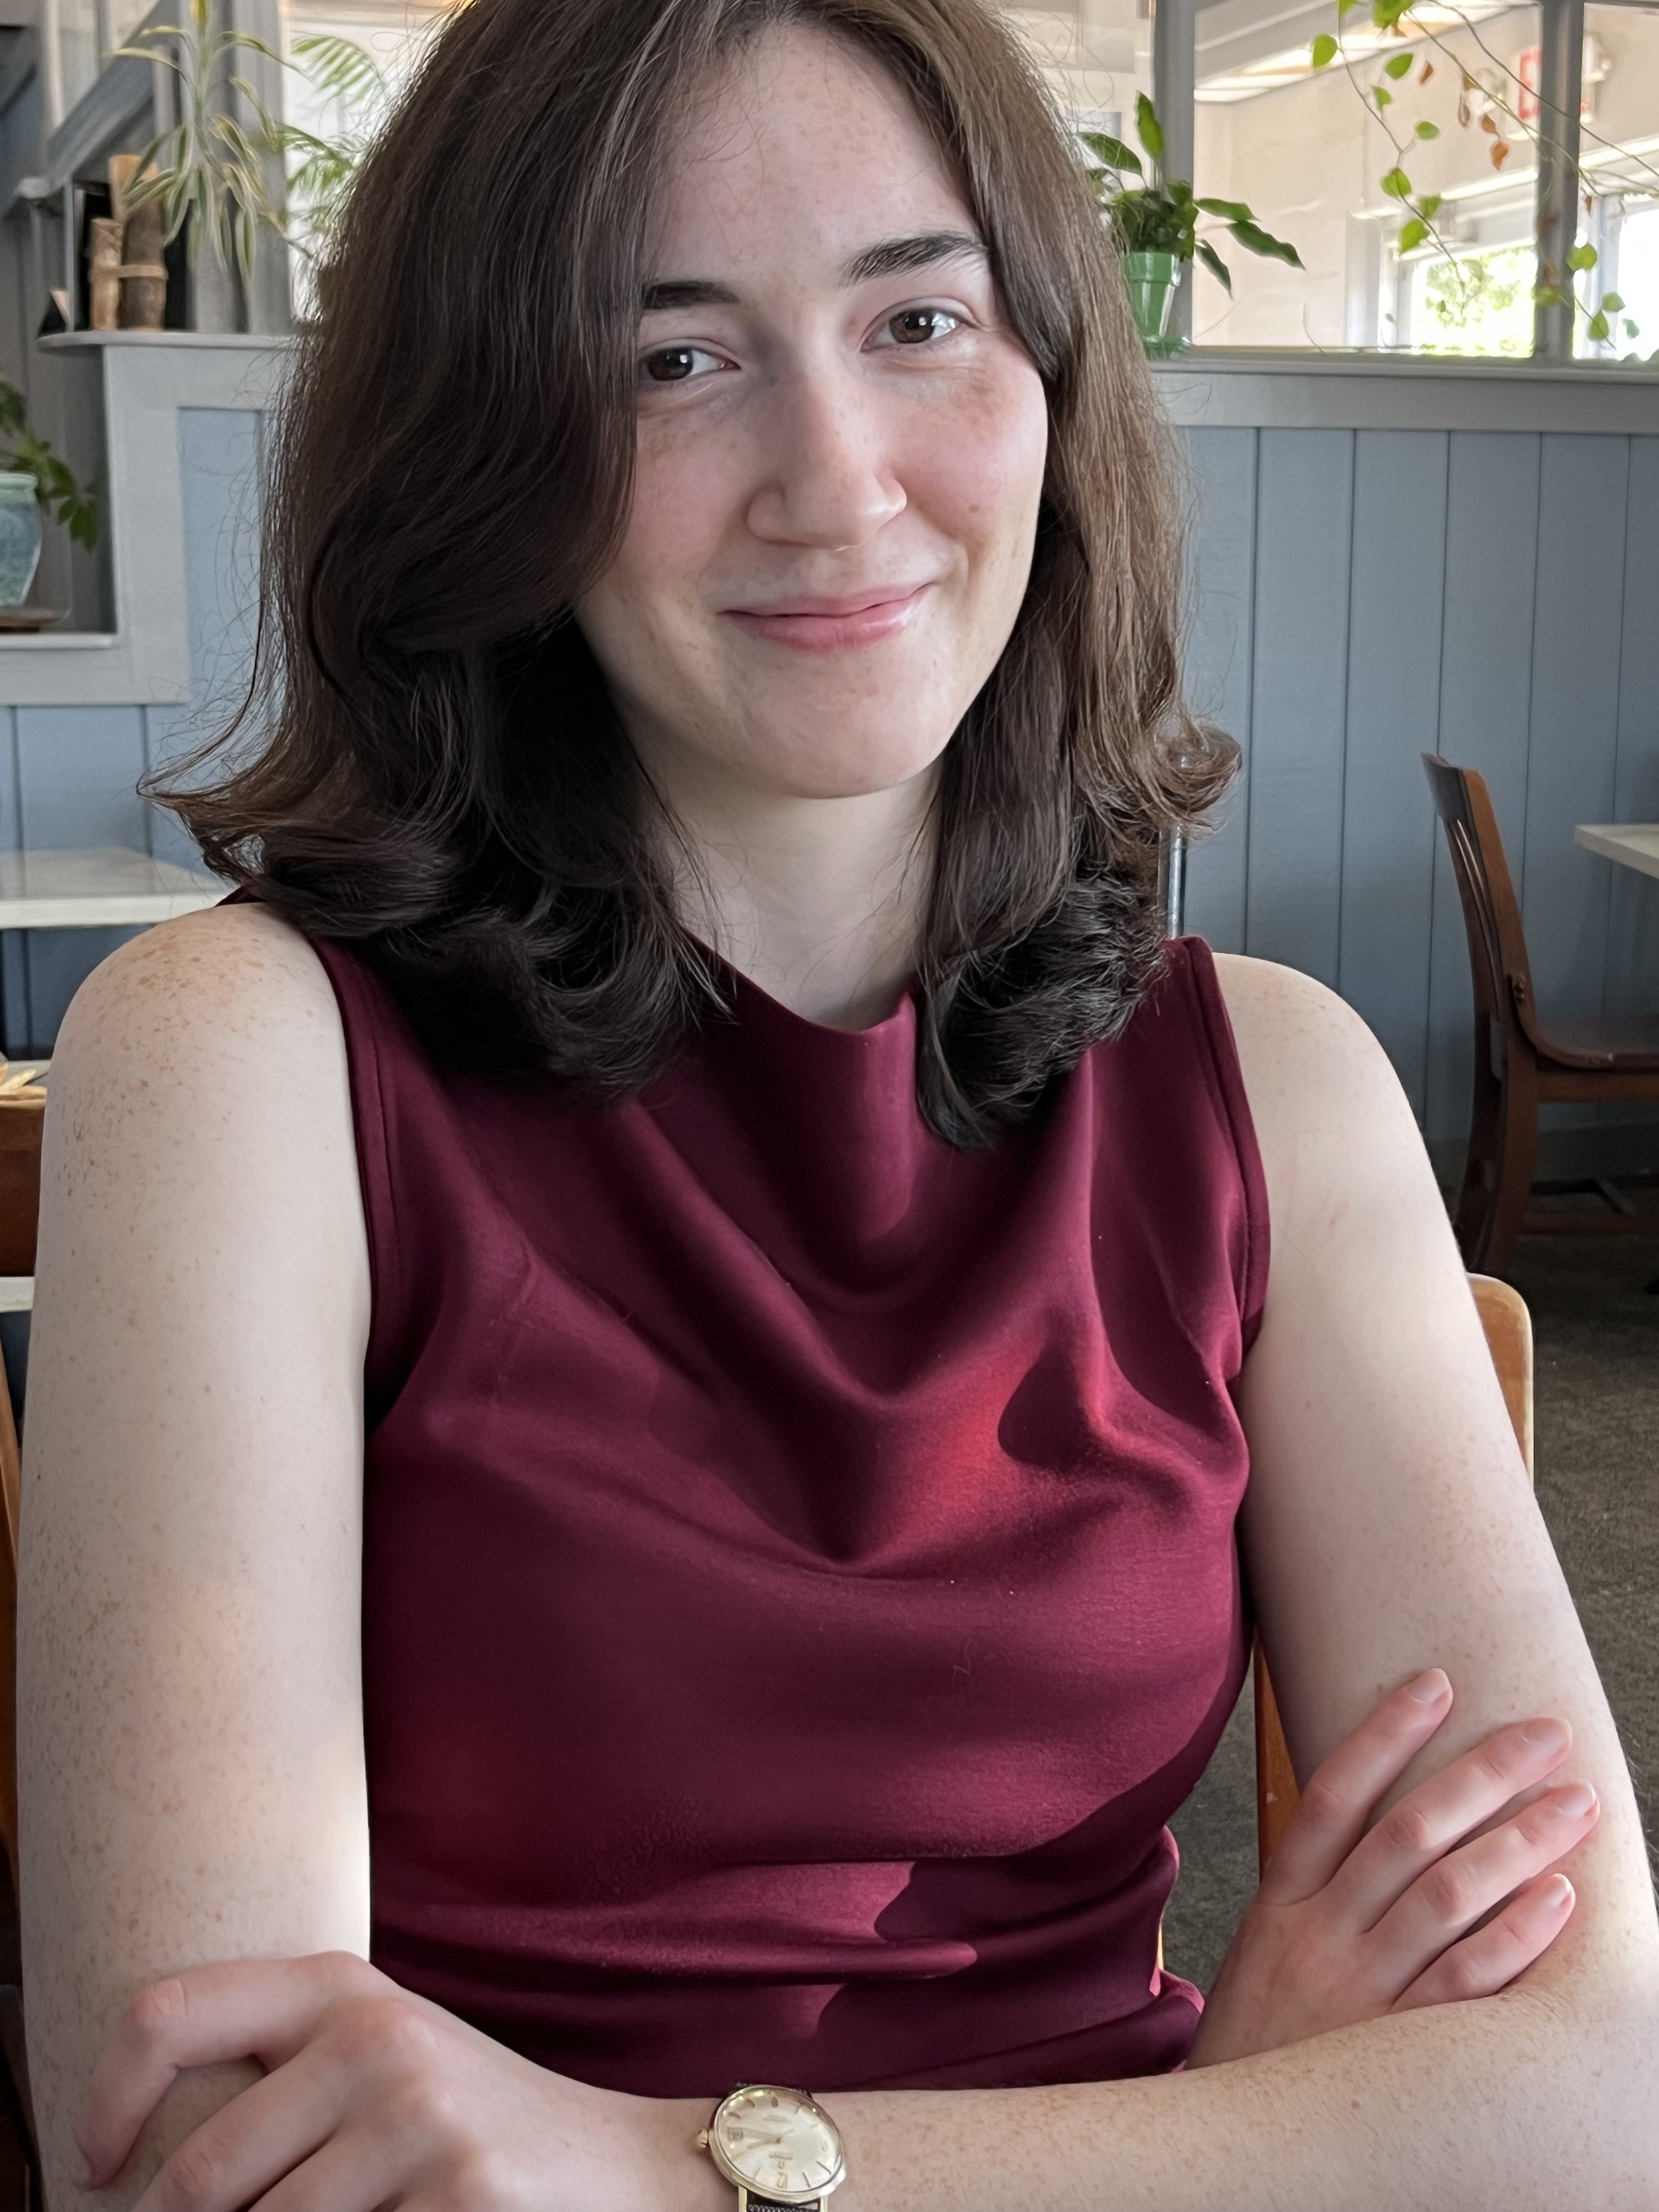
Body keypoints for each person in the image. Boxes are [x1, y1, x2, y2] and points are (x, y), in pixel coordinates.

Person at [18, 0, 1658, 2205]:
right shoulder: (241, 1060)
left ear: (1054, 388)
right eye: (670, 359)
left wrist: (671, 2173)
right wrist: (1226, 2149)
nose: (838, 480)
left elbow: (1588, 2099)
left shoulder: (1274, 1080)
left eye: (917, 318)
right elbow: (199, 2156)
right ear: (490, 444)